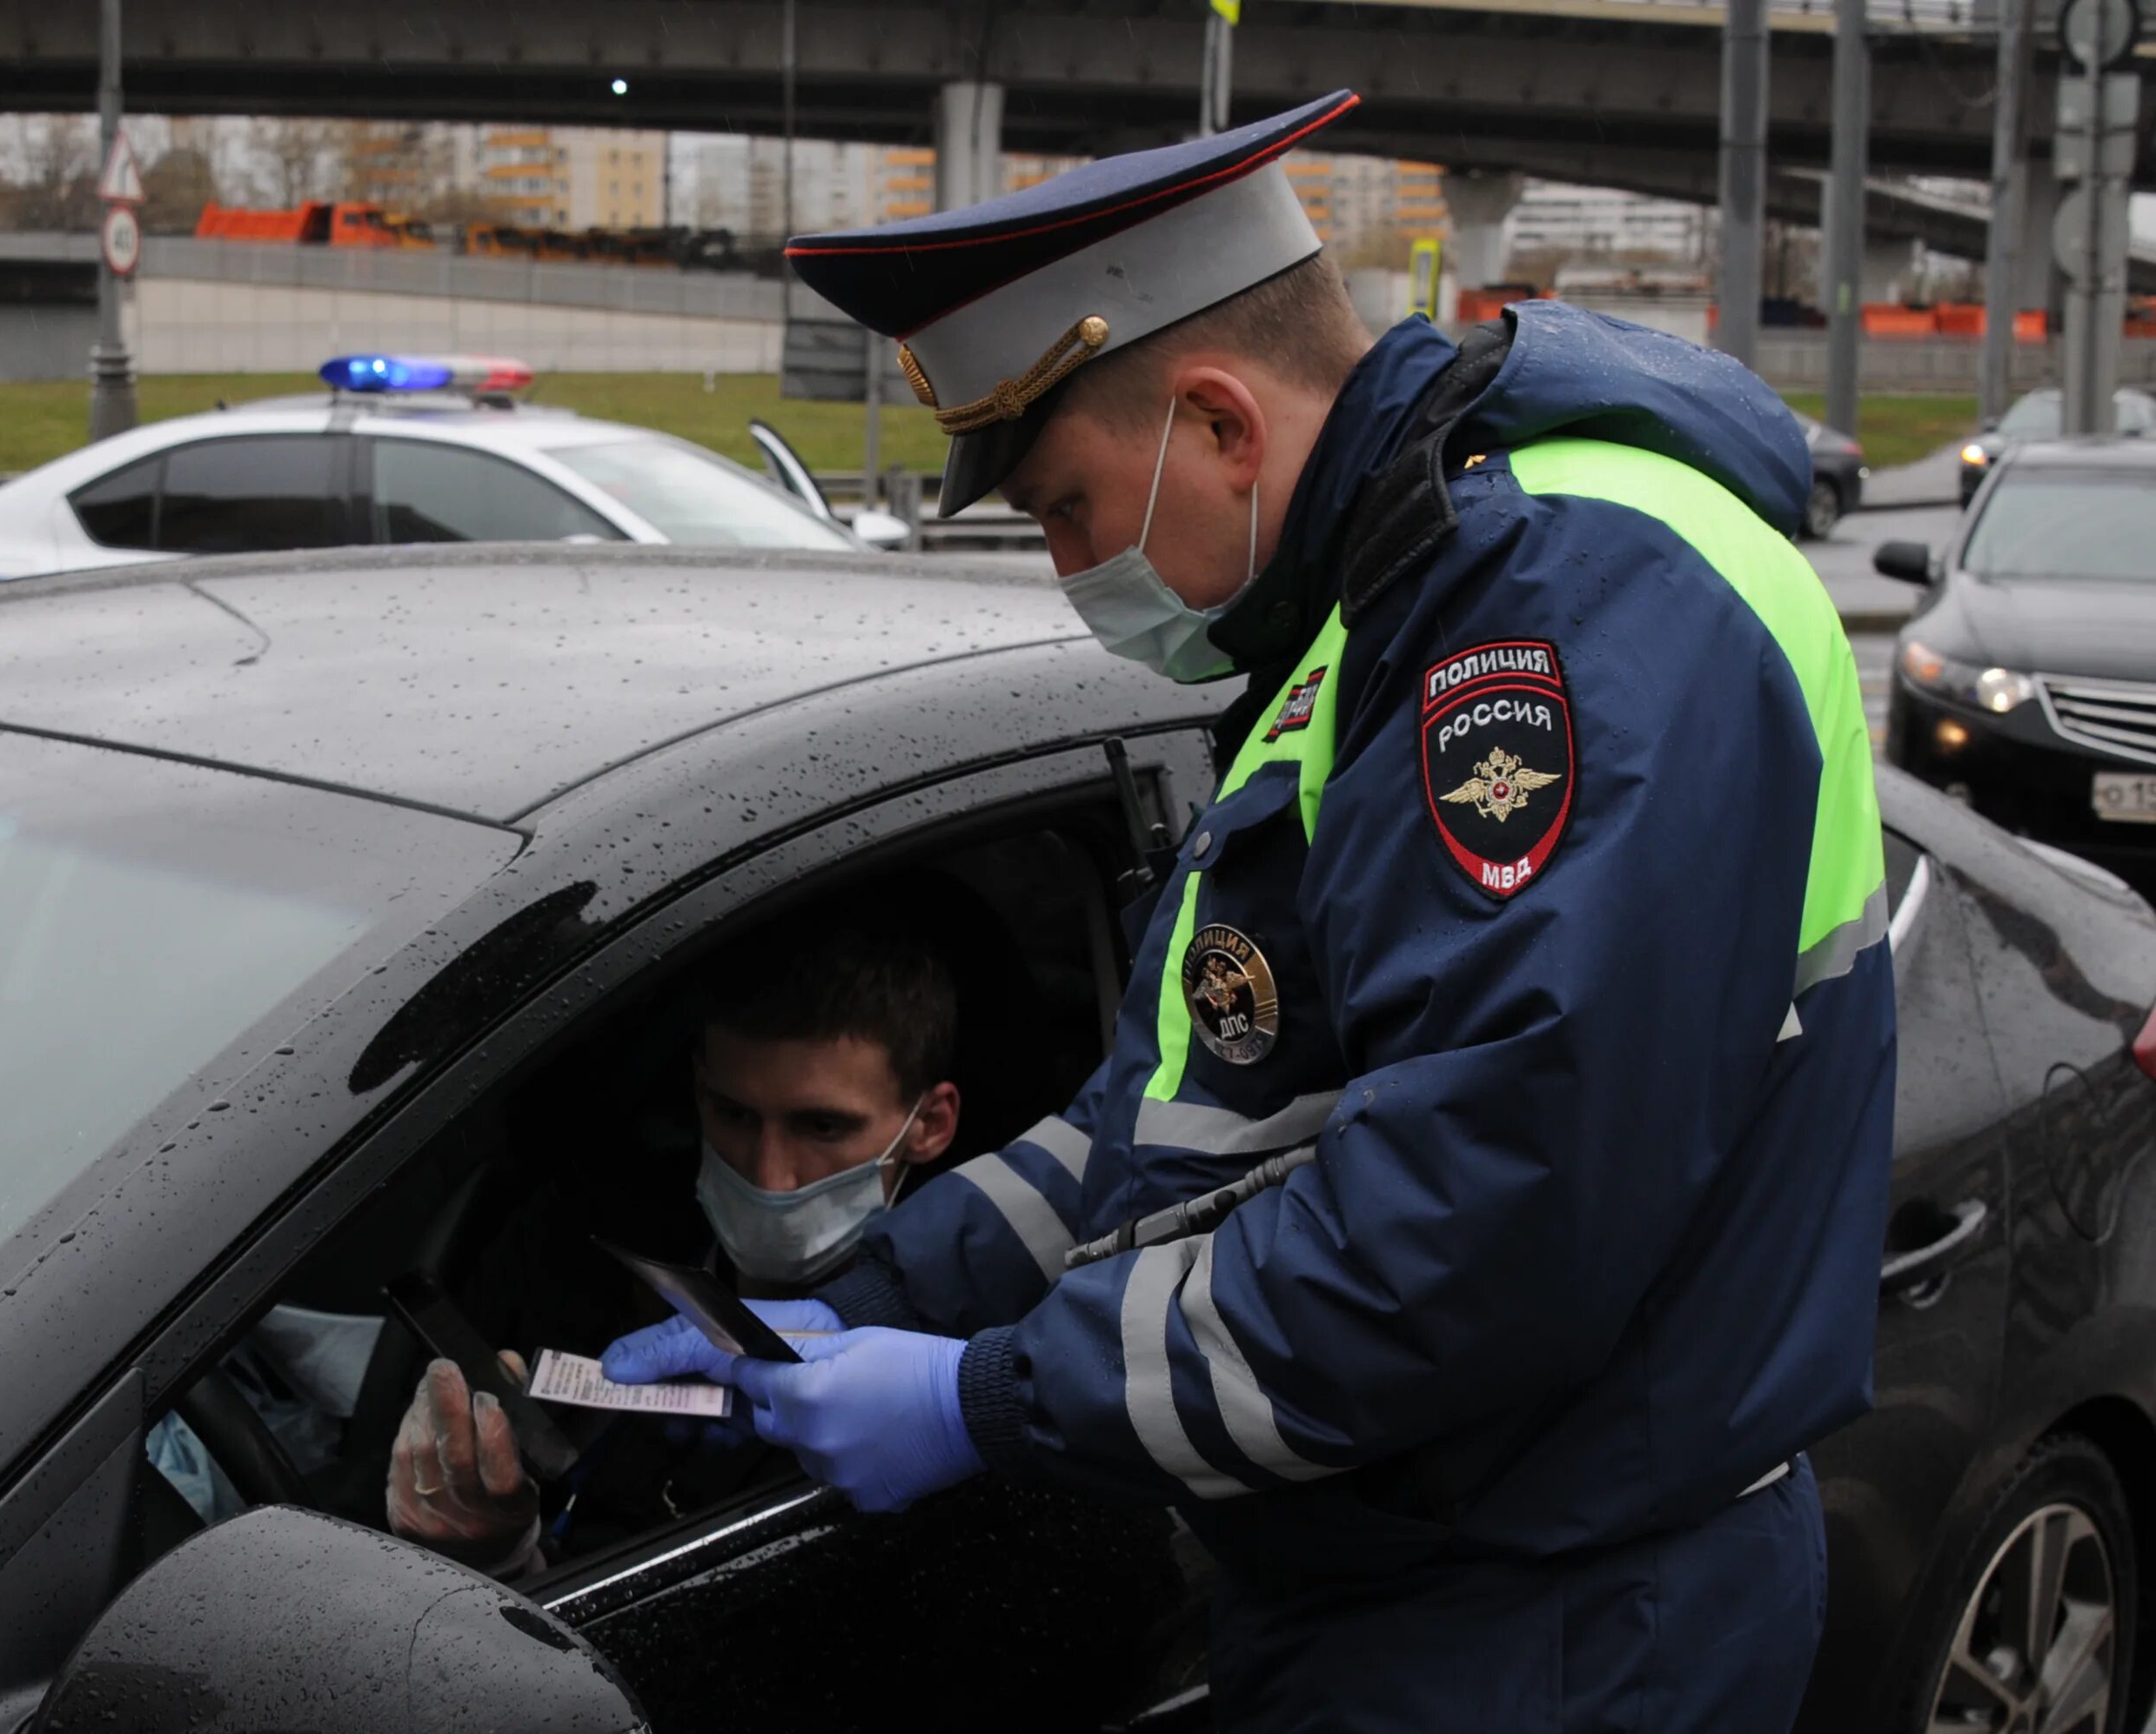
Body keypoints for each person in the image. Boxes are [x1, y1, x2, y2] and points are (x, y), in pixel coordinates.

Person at [606, 90, 1893, 1733]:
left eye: (1069, 508)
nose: (1074, 572)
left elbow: (1476, 1227)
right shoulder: (1389, 595)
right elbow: (1190, 1100)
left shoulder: (1556, 614)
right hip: (1433, 1586)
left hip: (1561, 1624)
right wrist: (861, 1306)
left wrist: (989, 1397)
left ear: (1220, 425)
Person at [149, 906, 964, 1574]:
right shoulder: (591, 1240)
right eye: (735, 1115)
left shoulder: (941, 1371)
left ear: (928, 1125)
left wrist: (515, 1569)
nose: (769, 1173)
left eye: (823, 1127)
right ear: (696, 1090)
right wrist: (466, 1509)